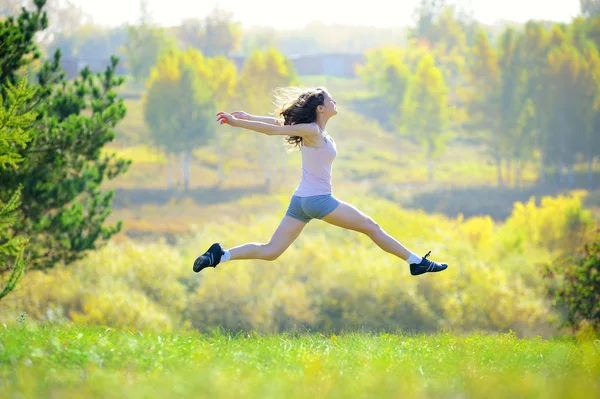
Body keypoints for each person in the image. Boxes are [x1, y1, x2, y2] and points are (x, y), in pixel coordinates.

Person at [193, 87, 448, 276]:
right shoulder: (313, 131)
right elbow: (275, 129)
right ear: (321, 108)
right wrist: (239, 123)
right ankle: (416, 262)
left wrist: (248, 116)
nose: (335, 101)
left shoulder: (316, 132)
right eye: (330, 100)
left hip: (301, 201)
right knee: (372, 227)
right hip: (318, 200)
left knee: (271, 251)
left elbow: (277, 122)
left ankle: (220, 254)